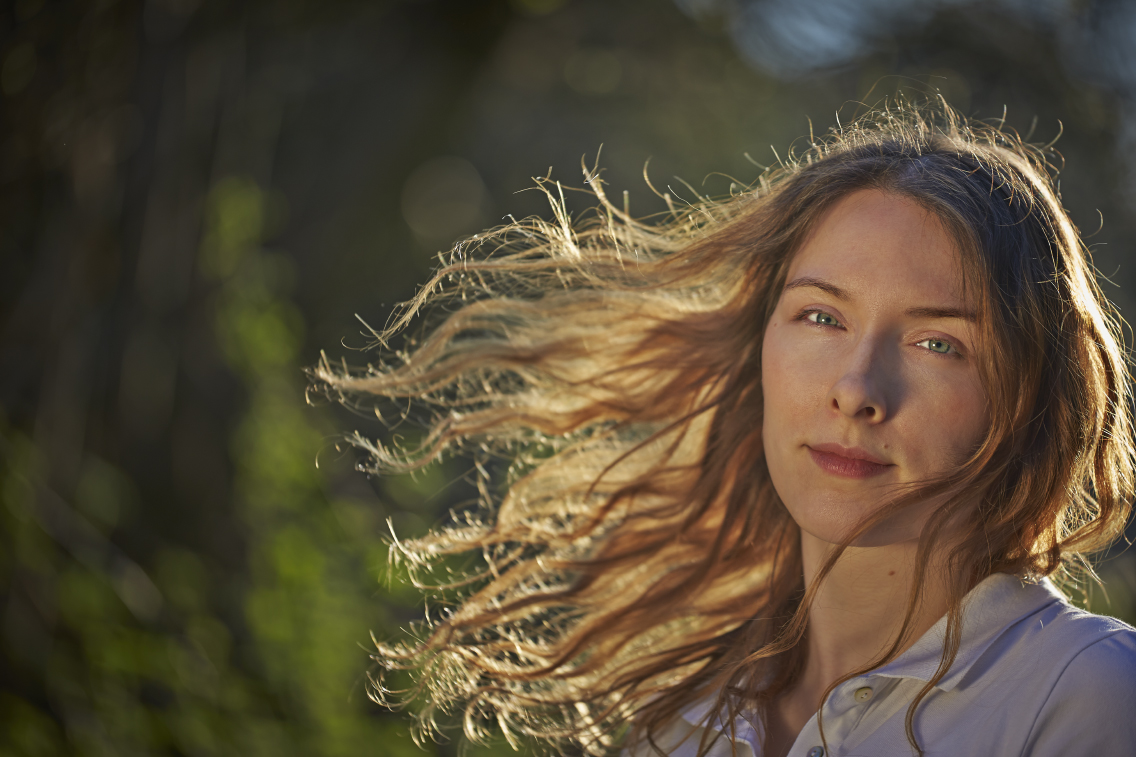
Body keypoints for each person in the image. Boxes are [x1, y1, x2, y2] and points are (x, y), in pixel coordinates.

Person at [311, 100, 1136, 756]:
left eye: (936, 342)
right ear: (761, 349)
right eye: (821, 316)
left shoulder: (1085, 696)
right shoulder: (682, 722)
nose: (857, 389)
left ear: (1027, 397)